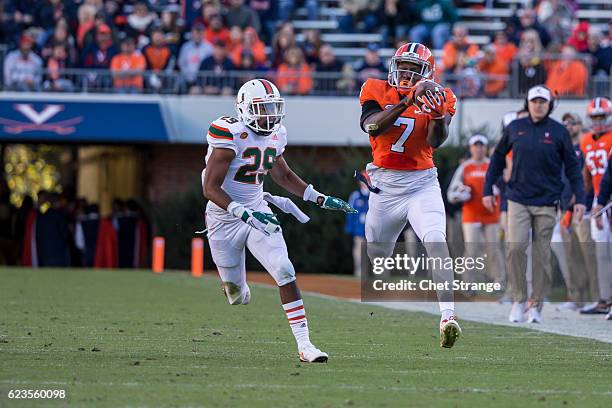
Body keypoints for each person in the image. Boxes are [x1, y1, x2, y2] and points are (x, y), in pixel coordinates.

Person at [202, 78, 356, 362]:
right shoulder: (229, 133)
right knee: (237, 296)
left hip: (259, 211)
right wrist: (242, 212)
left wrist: (319, 198)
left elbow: (282, 175)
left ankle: (305, 345)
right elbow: (210, 189)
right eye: (263, 108)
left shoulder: (276, 134)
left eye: (273, 107)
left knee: (284, 269)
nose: (270, 114)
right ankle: (235, 284)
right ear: (245, 108)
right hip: (224, 217)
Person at [359, 42, 461, 348]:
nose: (405, 74)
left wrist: (440, 116)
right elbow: (371, 126)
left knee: (435, 240)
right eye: (402, 67)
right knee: (377, 254)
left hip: (421, 183)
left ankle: (448, 317)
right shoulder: (375, 87)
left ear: (425, 73)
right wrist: (406, 103)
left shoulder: (442, 95)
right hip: (385, 187)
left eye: (413, 69)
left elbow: (436, 141)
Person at [483, 85, 586, 324]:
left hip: (547, 201)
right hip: (517, 198)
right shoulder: (515, 128)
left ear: (549, 104)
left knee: (541, 255)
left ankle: (536, 305)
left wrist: (579, 198)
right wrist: (488, 189)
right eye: (534, 101)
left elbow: (572, 168)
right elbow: (497, 158)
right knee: (516, 249)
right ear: (527, 104)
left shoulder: (559, 132)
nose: (538, 105)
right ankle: (519, 300)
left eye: (543, 101)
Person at [553, 113, 598, 311]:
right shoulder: (562, 150)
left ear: (580, 126)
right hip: (564, 208)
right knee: (572, 256)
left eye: (573, 123)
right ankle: (576, 297)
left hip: (581, 209)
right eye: (565, 123)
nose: (568, 126)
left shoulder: (585, 148)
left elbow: (585, 179)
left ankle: (598, 297)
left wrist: (575, 201)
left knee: (590, 254)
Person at [448, 135, 504, 288]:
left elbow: (502, 186)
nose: (478, 149)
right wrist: (459, 195)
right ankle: (469, 283)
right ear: (471, 148)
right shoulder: (465, 166)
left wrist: (497, 190)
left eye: (481, 146)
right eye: (475, 146)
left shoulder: (492, 164)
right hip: (471, 214)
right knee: (472, 249)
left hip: (491, 214)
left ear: (485, 148)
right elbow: (452, 192)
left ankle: (498, 280)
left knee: (493, 249)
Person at [580, 97, 612, 316]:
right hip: (598, 200)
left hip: (608, 199)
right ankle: (604, 299)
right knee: (601, 252)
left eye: (602, 116)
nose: (599, 121)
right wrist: (587, 201)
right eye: (595, 117)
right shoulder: (585, 141)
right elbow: (587, 176)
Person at [345, 172, 370, 277]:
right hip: (359, 230)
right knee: (358, 253)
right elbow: (349, 211)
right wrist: (350, 227)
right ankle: (359, 274)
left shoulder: (375, 195)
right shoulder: (355, 195)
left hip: (372, 231)